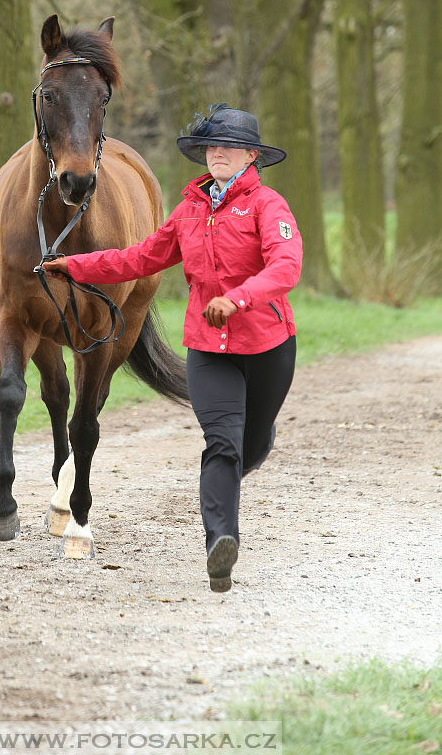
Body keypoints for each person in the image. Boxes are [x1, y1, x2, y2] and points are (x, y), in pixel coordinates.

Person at [42, 104, 303, 592]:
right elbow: (139, 258)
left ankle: (252, 448)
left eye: (230, 145)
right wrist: (73, 266)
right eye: (212, 145)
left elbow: (286, 267)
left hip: (268, 345)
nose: (218, 152)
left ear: (252, 156)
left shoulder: (269, 207)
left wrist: (238, 299)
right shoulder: (189, 211)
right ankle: (220, 546)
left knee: (251, 441)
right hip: (208, 349)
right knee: (221, 443)